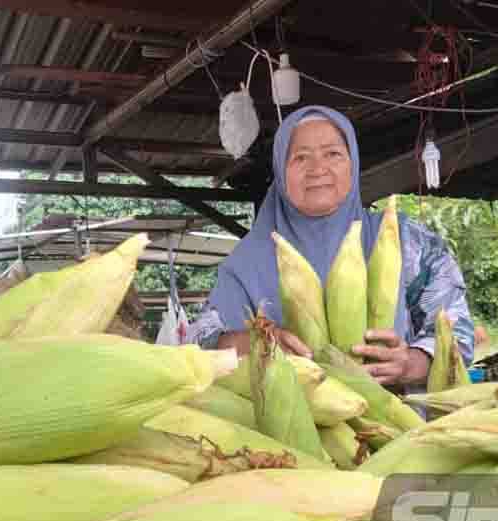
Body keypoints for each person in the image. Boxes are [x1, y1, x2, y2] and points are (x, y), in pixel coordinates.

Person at [185, 105, 474, 390]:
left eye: (333, 154)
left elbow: (457, 332)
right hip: (287, 431)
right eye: (300, 158)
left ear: (353, 164)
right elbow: (200, 345)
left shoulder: (401, 239)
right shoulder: (249, 260)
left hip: (397, 425)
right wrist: (256, 344)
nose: (317, 169)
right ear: (281, 173)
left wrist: (410, 363)